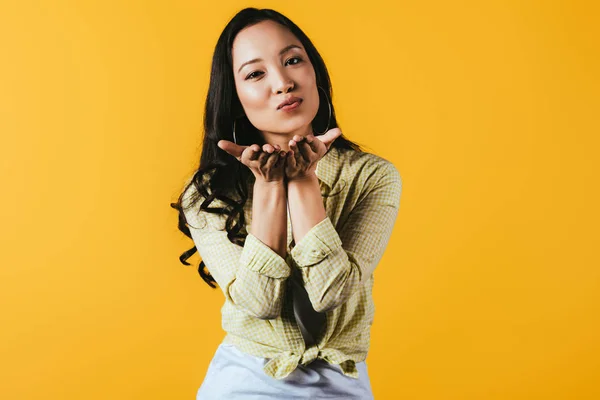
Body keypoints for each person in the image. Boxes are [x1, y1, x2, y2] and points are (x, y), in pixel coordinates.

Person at [171, 7, 402, 399]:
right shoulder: (206, 195)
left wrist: (303, 180)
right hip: (245, 381)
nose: (282, 82)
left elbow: (330, 292)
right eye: (255, 73)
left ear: (316, 74)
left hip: (341, 382)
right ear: (235, 96)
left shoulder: (372, 176)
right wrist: (269, 189)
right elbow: (261, 302)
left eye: (293, 60)